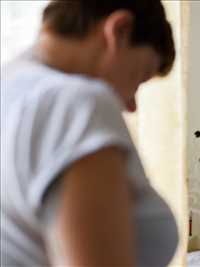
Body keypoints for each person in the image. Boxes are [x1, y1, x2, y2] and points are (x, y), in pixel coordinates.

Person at [1, 1, 177, 266]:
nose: (131, 105)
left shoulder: (12, 92)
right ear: (119, 30)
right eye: (140, 76)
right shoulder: (73, 103)